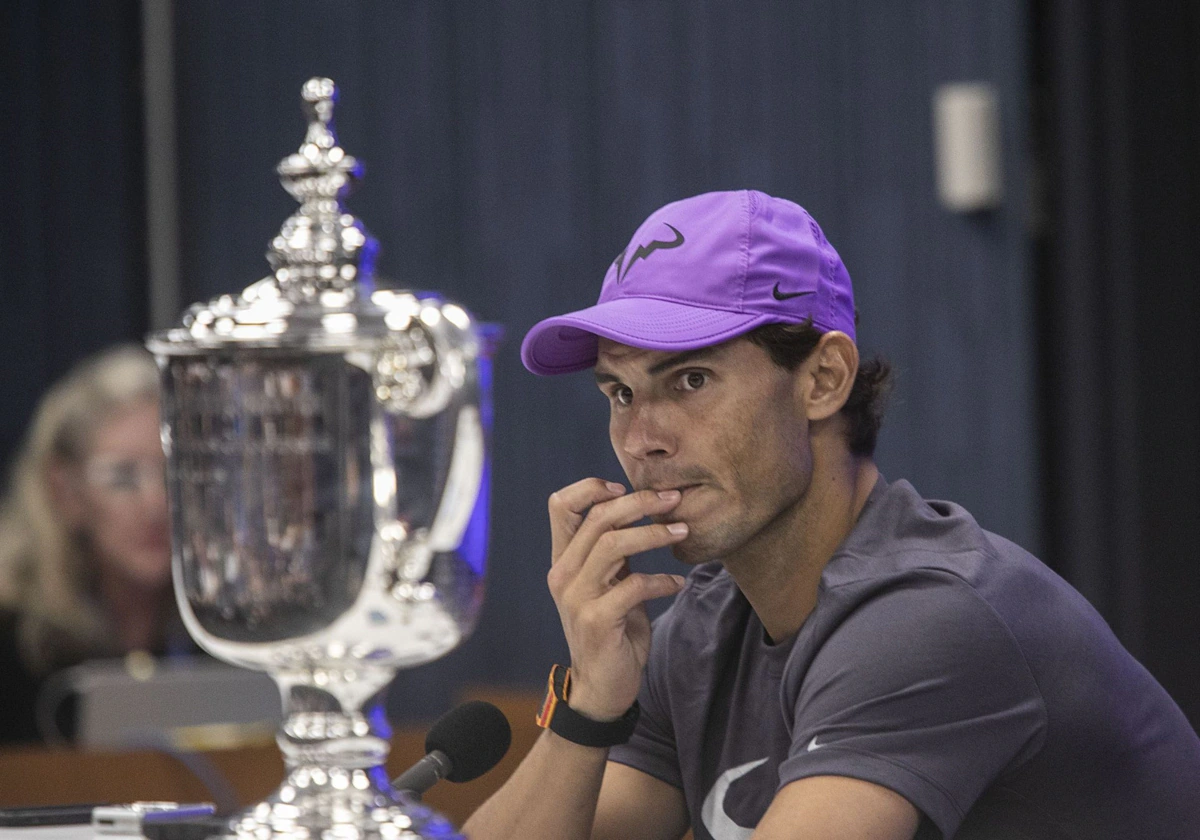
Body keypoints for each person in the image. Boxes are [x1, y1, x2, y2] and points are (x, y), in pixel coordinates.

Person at [465, 190, 1200, 839]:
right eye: (620, 394)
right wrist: (591, 700)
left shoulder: (931, 617)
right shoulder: (701, 630)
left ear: (823, 380)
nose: (643, 440)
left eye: (690, 380)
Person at [0, 345, 185, 744]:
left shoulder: (219, 637)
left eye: (173, 474)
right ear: (65, 491)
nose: (156, 505)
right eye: (123, 477)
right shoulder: (12, 644)